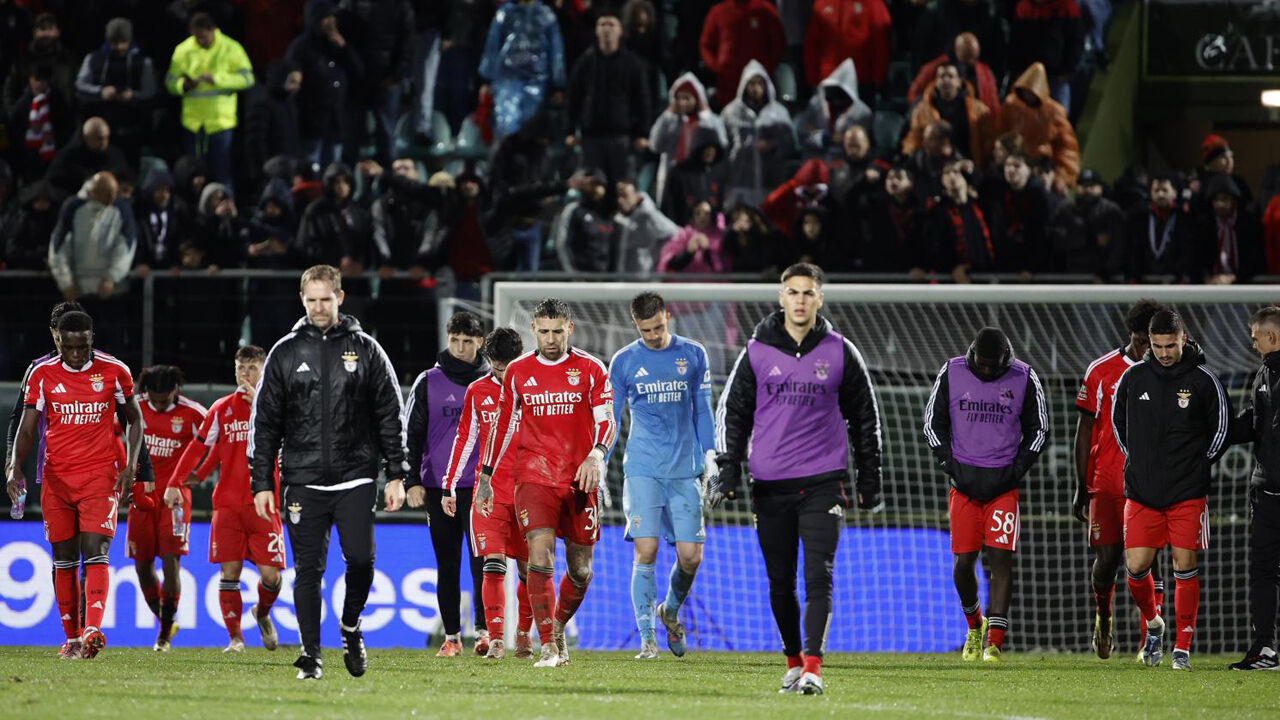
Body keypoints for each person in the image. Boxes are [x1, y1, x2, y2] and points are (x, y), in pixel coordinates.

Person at [711, 262, 883, 695]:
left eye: (808, 293)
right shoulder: (756, 351)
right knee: (780, 581)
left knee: (818, 575)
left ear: (819, 299)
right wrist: (730, 469)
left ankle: (813, 669)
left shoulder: (841, 351)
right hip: (769, 484)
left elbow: (865, 417)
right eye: (793, 292)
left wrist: (869, 478)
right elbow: (733, 413)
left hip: (824, 481)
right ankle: (792, 663)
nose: (800, 300)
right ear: (781, 297)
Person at [249, 264, 409, 680]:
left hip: (355, 475)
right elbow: (264, 423)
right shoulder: (285, 353)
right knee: (308, 570)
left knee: (361, 561)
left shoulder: (367, 350)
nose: (318, 307)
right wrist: (262, 482)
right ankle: (311, 655)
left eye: (325, 299)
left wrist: (396, 474)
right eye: (311, 300)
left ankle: (350, 625)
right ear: (302, 300)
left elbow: (390, 414)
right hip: (302, 479)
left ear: (340, 297)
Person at [478, 298, 616, 668]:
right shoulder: (519, 371)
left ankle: (556, 627)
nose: (551, 339)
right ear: (533, 330)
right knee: (539, 555)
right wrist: (486, 477)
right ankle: (549, 647)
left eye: (557, 331)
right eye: (544, 331)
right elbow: (501, 427)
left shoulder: (591, 369)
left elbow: (607, 420)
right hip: (533, 476)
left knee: (581, 571)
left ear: (570, 329)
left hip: (579, 478)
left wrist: (597, 454)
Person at [6, 310, 143, 659]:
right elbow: (26, 426)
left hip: (99, 476)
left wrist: (130, 466)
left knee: (96, 550)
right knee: (63, 558)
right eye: (69, 348)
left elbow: (134, 420)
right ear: (58, 342)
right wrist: (15, 466)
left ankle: (93, 628)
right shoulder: (42, 373)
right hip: (57, 480)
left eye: (82, 346)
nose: (77, 354)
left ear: (91, 338)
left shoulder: (115, 370)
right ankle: (73, 639)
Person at [1113, 309, 1231, 671]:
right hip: (1142, 491)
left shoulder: (1203, 380)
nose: (1165, 353)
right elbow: (1118, 424)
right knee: (1136, 568)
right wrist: (1138, 463)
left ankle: (1182, 649)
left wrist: (1197, 467)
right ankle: (1154, 623)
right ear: (1149, 342)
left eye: (1171, 345)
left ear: (1184, 339)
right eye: (1158, 346)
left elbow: (1221, 428)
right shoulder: (1133, 377)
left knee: (1185, 565)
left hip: (1187, 492)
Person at [923, 326, 1048, 663]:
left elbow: (1039, 430)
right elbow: (932, 424)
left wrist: (1015, 471)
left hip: (1002, 488)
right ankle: (974, 624)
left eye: (994, 365)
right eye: (983, 363)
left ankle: (994, 641)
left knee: (1001, 560)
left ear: (1005, 358)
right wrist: (950, 465)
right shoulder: (952, 371)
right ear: (973, 353)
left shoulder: (1024, 376)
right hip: (963, 486)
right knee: (964, 564)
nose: (988, 369)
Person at [608, 292, 716, 659]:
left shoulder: (694, 354)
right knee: (647, 548)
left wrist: (711, 456)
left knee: (691, 557)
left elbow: (703, 410)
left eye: (658, 327)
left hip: (684, 469)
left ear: (668, 316)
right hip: (643, 468)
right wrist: (599, 459)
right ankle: (647, 640)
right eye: (646, 330)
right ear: (635, 325)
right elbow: (611, 419)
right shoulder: (624, 361)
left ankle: (668, 611)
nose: (654, 335)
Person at [167, 346, 284, 654]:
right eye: (241, 368)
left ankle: (261, 613)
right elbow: (199, 446)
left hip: (264, 504)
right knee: (229, 573)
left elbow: (290, 437)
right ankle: (235, 639)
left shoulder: (277, 405)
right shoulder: (221, 408)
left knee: (271, 576)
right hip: (228, 506)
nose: (245, 375)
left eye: (252, 368)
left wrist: (259, 404)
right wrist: (176, 481)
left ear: (264, 371)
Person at [1072, 299, 1163, 659]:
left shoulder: (1167, 372)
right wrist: (1081, 486)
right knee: (1108, 560)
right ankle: (1103, 616)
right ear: (1131, 335)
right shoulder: (1101, 370)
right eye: (1141, 342)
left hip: (1148, 483)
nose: (1145, 351)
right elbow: (1084, 430)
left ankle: (1148, 642)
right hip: (1107, 482)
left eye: (1151, 343)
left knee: (1146, 562)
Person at [441, 328, 536, 660]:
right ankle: (495, 639)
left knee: (529, 570)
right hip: (490, 492)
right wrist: (450, 484)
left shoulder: (535, 388)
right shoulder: (478, 391)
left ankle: (523, 634)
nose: (502, 374)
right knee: (492, 564)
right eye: (496, 367)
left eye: (507, 367)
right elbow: (465, 438)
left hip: (529, 491)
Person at [404, 311, 492, 656]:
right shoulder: (428, 381)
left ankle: (485, 633)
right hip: (440, 487)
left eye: (467, 341)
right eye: (454, 340)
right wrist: (411, 480)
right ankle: (452, 637)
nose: (460, 347)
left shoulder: (494, 382)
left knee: (483, 563)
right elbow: (411, 435)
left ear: (480, 342)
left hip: (481, 486)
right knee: (447, 562)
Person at [127, 365, 207, 651]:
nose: (159, 406)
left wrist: (201, 472)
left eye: (164, 400)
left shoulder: (193, 412)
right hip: (141, 496)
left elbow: (217, 439)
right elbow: (110, 435)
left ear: (176, 390)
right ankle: (166, 621)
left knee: (171, 561)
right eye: (154, 399)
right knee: (142, 567)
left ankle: (163, 636)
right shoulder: (135, 406)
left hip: (174, 498)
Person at [1228, 307, 1280, 670]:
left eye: (1255, 337)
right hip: (1266, 491)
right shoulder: (1263, 372)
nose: (1253, 343)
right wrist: (1219, 433)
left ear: (1271, 337)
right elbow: (1255, 421)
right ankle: (1264, 648)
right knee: (1262, 571)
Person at [165, 12, 254, 188]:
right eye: (196, 37)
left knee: (222, 174)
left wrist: (217, 79)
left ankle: (225, 204)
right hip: (193, 124)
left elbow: (248, 79)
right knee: (194, 177)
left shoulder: (231, 48)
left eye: (203, 37)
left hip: (221, 123)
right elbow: (170, 82)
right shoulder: (183, 50)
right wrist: (184, 85)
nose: (200, 41)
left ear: (213, 30)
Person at [566, 8, 651, 188]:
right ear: (596, 30)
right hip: (591, 135)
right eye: (602, 24)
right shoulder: (584, 62)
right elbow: (573, 98)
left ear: (620, 31)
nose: (607, 29)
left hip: (621, 136)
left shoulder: (633, 64)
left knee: (621, 186)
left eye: (611, 25)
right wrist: (570, 130)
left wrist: (642, 133)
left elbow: (642, 101)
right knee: (593, 187)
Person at [286, 1, 362, 168]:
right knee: (312, 167)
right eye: (326, 18)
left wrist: (344, 47)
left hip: (337, 121)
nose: (331, 22)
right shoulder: (301, 47)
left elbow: (358, 72)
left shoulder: (339, 45)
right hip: (312, 122)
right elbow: (292, 78)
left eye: (332, 17)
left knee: (333, 169)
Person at [74, 18, 157, 168]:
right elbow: (80, 85)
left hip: (132, 128)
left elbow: (150, 91)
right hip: (102, 126)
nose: (118, 47)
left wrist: (132, 96)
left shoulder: (142, 61)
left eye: (122, 42)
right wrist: (100, 92)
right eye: (114, 43)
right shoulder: (94, 58)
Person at [478, 0, 566, 139]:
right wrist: (486, 79)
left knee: (530, 129)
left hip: (537, 81)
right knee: (507, 126)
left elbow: (556, 51)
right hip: (507, 79)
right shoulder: (505, 13)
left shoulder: (545, 15)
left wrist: (558, 84)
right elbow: (492, 46)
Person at [49, 171, 137, 303]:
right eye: (107, 194)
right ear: (94, 192)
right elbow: (58, 247)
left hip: (111, 292)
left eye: (114, 193)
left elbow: (125, 247)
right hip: (78, 290)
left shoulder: (121, 209)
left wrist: (111, 278)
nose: (112, 198)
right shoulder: (73, 208)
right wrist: (66, 283)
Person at [720, 60, 796, 210]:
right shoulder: (730, 113)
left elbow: (789, 144)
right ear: (744, 85)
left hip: (770, 181)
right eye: (751, 83)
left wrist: (771, 145)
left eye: (760, 83)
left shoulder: (779, 113)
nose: (755, 88)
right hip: (739, 182)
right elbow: (722, 146)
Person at [999, 62, 1079, 191]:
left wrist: (1062, 177)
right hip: (1010, 164)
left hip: (1038, 168)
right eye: (1026, 91)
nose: (1028, 95)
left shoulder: (1054, 113)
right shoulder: (1011, 104)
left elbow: (1067, 148)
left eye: (1032, 92)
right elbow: (999, 131)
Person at [902, 60, 995, 170]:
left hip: (969, 167)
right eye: (941, 76)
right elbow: (914, 139)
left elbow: (988, 141)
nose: (946, 80)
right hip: (934, 169)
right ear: (936, 82)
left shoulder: (979, 110)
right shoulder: (922, 110)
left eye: (950, 76)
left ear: (959, 81)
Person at [698, 0, 785, 104]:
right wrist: (717, 67)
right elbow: (706, 45)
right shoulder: (718, 11)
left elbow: (778, 42)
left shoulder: (765, 9)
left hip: (758, 85)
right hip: (728, 85)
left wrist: (765, 69)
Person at [909, 32, 1001, 123]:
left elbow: (993, 102)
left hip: (973, 119)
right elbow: (914, 93)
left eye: (974, 56)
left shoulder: (984, 72)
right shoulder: (936, 68)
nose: (972, 61)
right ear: (957, 50)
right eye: (967, 55)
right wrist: (923, 112)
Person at [805, 0, 891, 92]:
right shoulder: (822, 3)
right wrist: (812, 77)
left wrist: (879, 75)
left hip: (861, 77)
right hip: (828, 77)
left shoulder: (872, 3)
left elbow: (881, 38)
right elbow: (812, 42)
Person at [795, 59, 871, 158]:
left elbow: (860, 145)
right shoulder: (816, 103)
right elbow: (802, 131)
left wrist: (844, 139)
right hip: (815, 157)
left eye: (838, 92)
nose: (834, 97)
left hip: (844, 160)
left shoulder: (862, 113)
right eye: (831, 90)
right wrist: (822, 138)